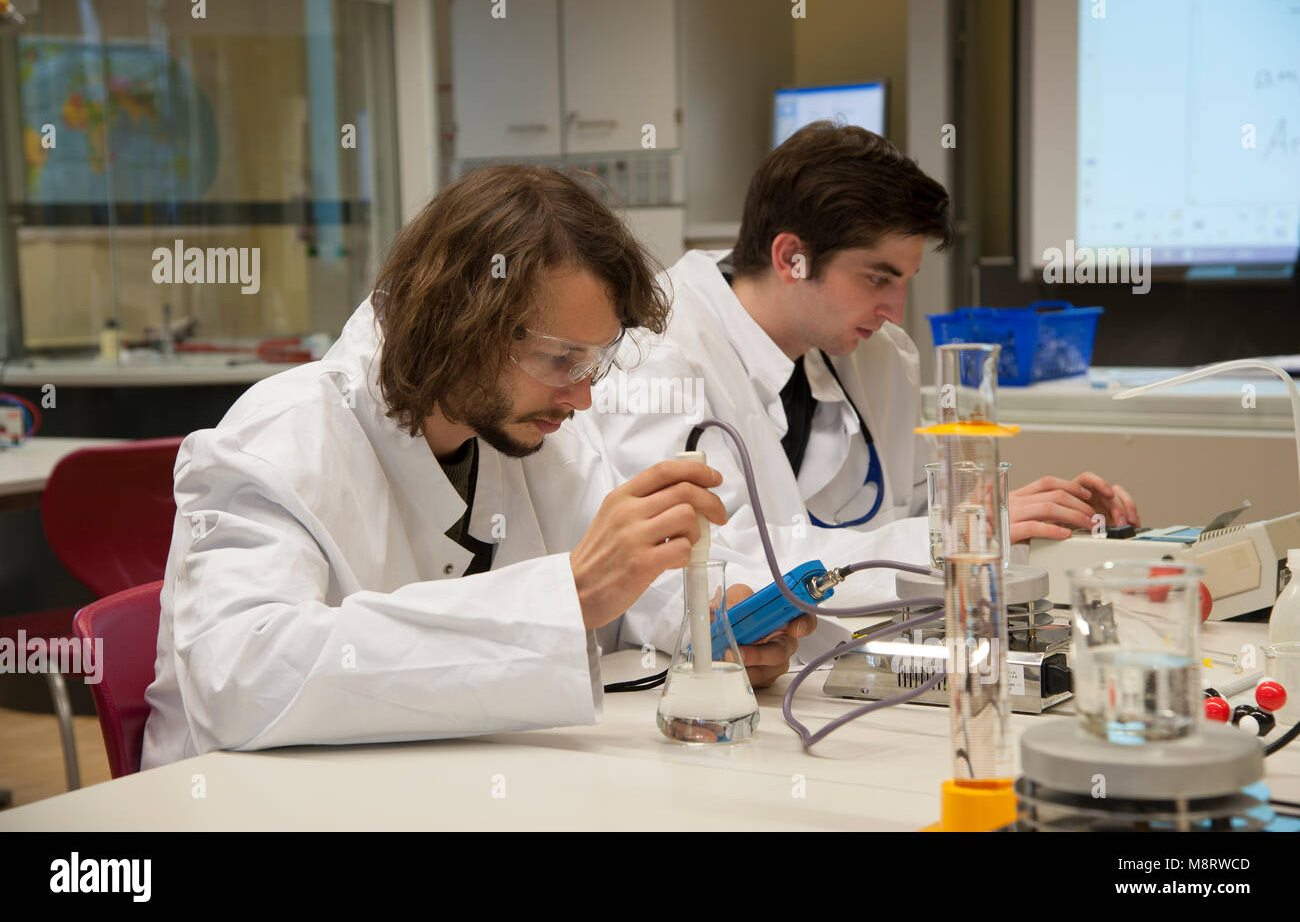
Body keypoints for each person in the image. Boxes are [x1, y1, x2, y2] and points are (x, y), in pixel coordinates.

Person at [141, 165, 807, 768]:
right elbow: (242, 676)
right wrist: (566, 597)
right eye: (560, 360)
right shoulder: (281, 440)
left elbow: (618, 604)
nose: (583, 396)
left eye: (594, 362)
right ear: (462, 323)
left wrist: (708, 623)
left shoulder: (539, 436)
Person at [579, 123, 1140, 656]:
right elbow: (709, 567)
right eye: (878, 277)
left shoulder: (881, 355)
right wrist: (953, 533)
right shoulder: (653, 351)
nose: (895, 310)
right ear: (790, 258)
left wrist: (1054, 531)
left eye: (905, 281)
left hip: (859, 671)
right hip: (716, 689)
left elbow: (915, 514)